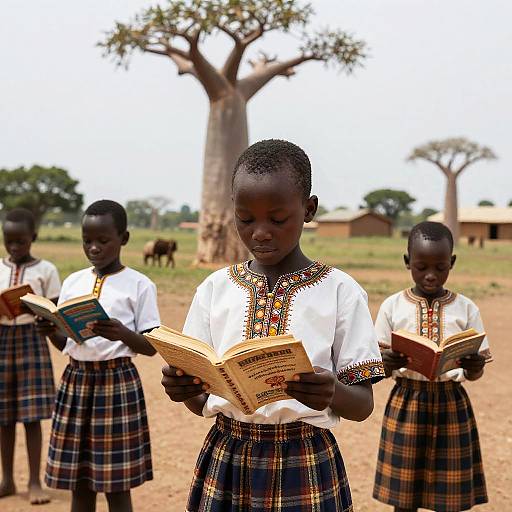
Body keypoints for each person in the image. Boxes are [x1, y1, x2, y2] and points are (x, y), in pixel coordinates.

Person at [161, 139, 385, 511]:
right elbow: (202, 399)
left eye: (277, 219)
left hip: (307, 458)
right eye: (245, 219)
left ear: (309, 209)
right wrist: (184, 389)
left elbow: (362, 405)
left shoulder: (340, 291)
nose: (260, 232)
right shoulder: (215, 289)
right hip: (227, 454)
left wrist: (332, 393)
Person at [38, 200, 160, 512]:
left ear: (124, 238)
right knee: (79, 480)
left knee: (115, 483)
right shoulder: (73, 282)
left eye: (103, 241)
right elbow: (67, 343)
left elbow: (151, 345)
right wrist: (50, 329)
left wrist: (122, 333)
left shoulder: (139, 285)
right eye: (87, 241)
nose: (94, 248)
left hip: (116, 383)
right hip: (76, 380)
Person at [373, 221, 491, 512]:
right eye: (421, 266)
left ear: (451, 263)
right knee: (404, 496)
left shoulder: (466, 308)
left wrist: (474, 365)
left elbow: (475, 373)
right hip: (407, 403)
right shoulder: (392, 306)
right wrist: (387, 364)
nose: (430, 275)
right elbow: (377, 367)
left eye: (440, 267)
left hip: (452, 403)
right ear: (407, 262)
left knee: (449, 497)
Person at [0, 208, 61, 505]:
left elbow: (55, 309)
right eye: (8, 241)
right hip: (1, 341)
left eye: (20, 242)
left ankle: (35, 481)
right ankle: (7, 479)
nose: (14, 247)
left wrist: (35, 307)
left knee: (32, 415)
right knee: (4, 417)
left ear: (33, 238)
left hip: (32, 342)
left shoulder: (46, 270)